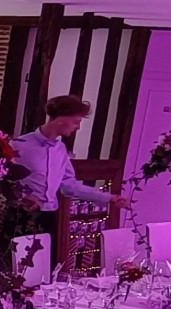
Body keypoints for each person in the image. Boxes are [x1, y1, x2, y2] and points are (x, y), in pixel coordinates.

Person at [11, 95, 129, 265]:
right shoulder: (19, 145)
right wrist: (21, 197)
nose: (78, 127)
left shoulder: (60, 150)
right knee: (15, 268)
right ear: (61, 119)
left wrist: (110, 198)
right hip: (21, 216)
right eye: (76, 122)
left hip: (50, 217)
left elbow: (70, 185)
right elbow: (2, 179)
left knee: (46, 268)